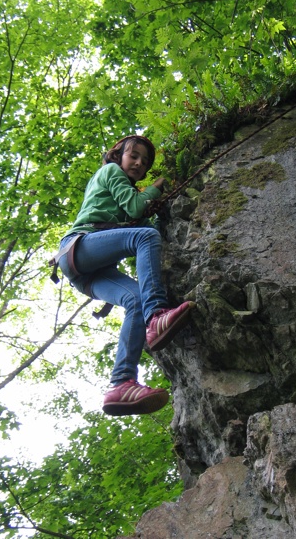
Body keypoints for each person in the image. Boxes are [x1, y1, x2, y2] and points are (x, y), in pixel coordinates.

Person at [57, 135, 195, 416]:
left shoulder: (129, 198)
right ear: (118, 156)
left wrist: (156, 207)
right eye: (134, 156)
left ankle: (121, 382)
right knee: (145, 238)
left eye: (144, 162)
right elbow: (137, 211)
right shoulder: (110, 172)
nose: (139, 163)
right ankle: (157, 314)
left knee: (135, 300)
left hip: (86, 274)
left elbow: (143, 219)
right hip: (78, 247)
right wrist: (156, 188)